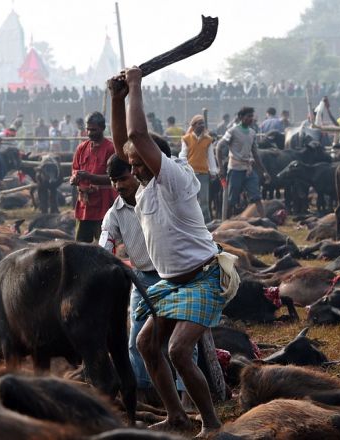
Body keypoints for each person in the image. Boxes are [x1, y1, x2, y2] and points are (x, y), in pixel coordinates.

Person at [109, 67, 238, 437]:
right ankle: (176, 416)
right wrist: (117, 100)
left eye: (137, 164)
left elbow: (135, 136)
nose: (131, 169)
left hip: (203, 279)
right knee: (147, 343)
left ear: (156, 160)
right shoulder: (145, 186)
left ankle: (211, 424)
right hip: (169, 284)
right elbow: (125, 145)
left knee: (180, 350)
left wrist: (135, 86)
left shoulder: (175, 179)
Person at [100, 153, 197, 407]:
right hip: (142, 278)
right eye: (113, 181)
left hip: (174, 275)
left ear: (135, 173)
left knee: (182, 341)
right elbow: (105, 243)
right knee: (135, 341)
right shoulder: (115, 212)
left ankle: (187, 396)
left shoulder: (159, 198)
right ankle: (145, 392)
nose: (118, 186)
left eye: (122, 178)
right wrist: (101, 261)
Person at [70, 111, 116, 243]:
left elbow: (113, 177)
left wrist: (90, 177)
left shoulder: (110, 149)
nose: (90, 133)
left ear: (102, 128)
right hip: (85, 204)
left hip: (104, 204)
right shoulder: (81, 148)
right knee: (80, 245)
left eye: (93, 130)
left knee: (105, 245)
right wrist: (75, 178)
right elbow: (75, 170)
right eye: (88, 129)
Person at [217, 107, 271, 218]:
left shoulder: (252, 133)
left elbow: (255, 153)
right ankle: (227, 223)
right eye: (248, 116)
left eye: (252, 116)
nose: (251, 119)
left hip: (248, 170)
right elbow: (218, 147)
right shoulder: (232, 131)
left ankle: (265, 221)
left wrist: (264, 171)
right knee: (232, 200)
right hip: (235, 169)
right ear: (241, 117)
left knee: (256, 197)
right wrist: (221, 168)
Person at [179, 115, 217, 222]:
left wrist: (213, 171)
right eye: (199, 123)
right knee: (190, 199)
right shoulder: (186, 139)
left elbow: (210, 157)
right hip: (190, 173)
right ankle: (190, 221)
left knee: (204, 200)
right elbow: (183, 155)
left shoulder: (208, 140)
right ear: (194, 125)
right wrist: (183, 168)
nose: (202, 125)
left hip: (203, 173)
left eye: (203, 123)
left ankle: (206, 222)